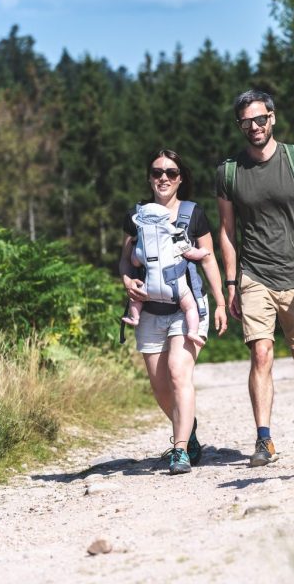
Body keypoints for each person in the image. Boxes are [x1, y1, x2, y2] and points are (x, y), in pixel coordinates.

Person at [216, 89, 294, 467]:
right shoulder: (229, 172)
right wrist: (231, 283)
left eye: (260, 119)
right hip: (254, 275)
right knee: (261, 353)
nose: (254, 127)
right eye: (246, 122)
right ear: (239, 126)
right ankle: (264, 439)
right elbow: (226, 232)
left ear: (273, 118)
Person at [121, 149, 227, 475]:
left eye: (170, 172)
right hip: (149, 311)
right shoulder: (136, 215)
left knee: (179, 373)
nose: (163, 177)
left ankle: (179, 450)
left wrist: (221, 301)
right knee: (160, 386)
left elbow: (208, 258)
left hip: (187, 306)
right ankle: (188, 429)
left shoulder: (193, 214)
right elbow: (127, 258)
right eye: (156, 172)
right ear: (149, 177)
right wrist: (127, 281)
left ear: (180, 178)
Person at [122, 201, 210, 349]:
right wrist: (202, 252)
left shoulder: (141, 243)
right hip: (176, 288)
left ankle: (135, 317)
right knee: (190, 307)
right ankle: (193, 331)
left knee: (135, 297)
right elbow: (190, 253)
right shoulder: (174, 235)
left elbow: (134, 262)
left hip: (149, 290)